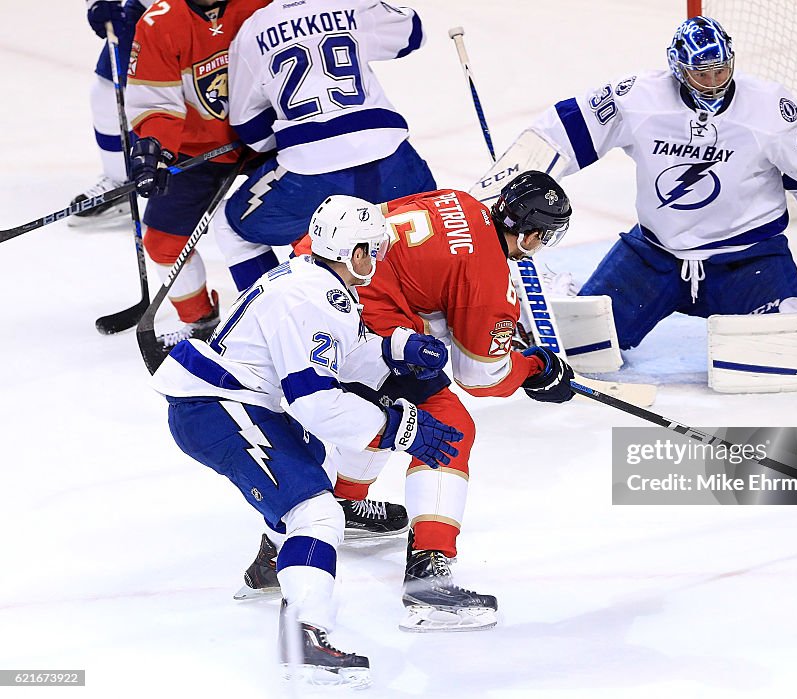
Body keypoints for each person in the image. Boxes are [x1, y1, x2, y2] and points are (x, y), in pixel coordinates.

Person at [151, 195, 464, 685]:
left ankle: (274, 563)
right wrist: (405, 428)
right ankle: (304, 636)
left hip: (229, 401)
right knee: (317, 511)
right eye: (370, 249)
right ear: (348, 249)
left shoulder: (315, 279)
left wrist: (395, 348)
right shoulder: (310, 296)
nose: (377, 258)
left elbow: (345, 356)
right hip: (218, 407)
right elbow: (315, 400)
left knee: (310, 464)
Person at [274, 170, 576, 632]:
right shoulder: (489, 272)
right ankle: (427, 579)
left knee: (386, 408)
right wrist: (534, 369)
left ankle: (344, 501)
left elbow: (421, 276)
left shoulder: (458, 200)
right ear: (532, 235)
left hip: (313, 275)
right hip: (357, 310)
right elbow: (480, 376)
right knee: (448, 427)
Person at [482, 16, 797, 350]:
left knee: (790, 345)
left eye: (720, 70)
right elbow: (562, 132)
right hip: (654, 256)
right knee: (581, 342)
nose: (713, 81)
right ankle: (562, 296)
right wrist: (506, 185)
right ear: (677, 68)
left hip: (748, 259)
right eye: (700, 73)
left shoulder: (768, 107)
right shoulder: (639, 97)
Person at [210, 0, 436, 294]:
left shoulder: (252, 31)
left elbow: (250, 128)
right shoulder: (344, 3)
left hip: (310, 173)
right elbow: (413, 34)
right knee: (430, 236)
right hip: (393, 158)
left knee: (231, 226)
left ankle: (277, 317)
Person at [124, 0, 271, 347]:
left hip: (269, 138)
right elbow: (155, 102)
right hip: (198, 148)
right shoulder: (161, 22)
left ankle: (312, 314)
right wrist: (154, 149)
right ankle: (201, 321)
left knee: (306, 225)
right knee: (162, 242)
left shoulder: (263, 4)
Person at [68, 0, 153, 227]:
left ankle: (191, 181)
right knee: (106, 92)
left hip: (207, 13)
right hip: (146, 10)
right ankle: (119, 181)